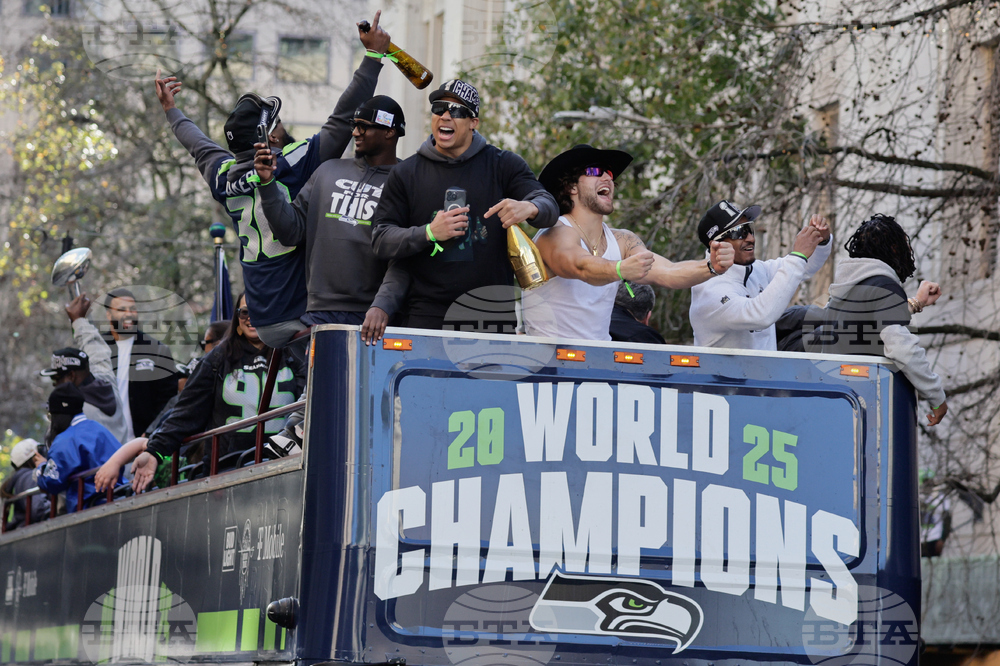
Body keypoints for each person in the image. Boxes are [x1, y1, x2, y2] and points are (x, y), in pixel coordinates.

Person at [154, 13, 392, 348]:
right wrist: (373, 57)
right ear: (270, 138)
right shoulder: (291, 163)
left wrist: (172, 111)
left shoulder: (223, 175)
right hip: (299, 313)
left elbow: (197, 144)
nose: (283, 127)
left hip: (261, 317)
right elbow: (342, 119)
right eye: (278, 123)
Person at [371, 78, 560, 330]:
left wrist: (529, 207)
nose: (445, 116)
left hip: (492, 313)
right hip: (427, 314)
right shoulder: (406, 173)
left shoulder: (503, 165)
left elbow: (549, 206)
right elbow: (381, 239)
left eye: (457, 111)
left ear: (473, 123)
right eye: (439, 108)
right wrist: (429, 232)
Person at [522, 144, 734, 340]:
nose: (607, 177)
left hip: (596, 361)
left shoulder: (623, 240)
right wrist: (620, 269)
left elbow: (669, 272)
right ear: (571, 187)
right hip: (550, 363)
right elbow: (580, 266)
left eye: (610, 173)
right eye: (596, 171)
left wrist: (711, 266)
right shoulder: (555, 232)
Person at [254, 95, 410, 345]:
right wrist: (267, 184)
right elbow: (290, 232)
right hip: (319, 312)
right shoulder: (328, 171)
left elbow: (405, 257)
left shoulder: (406, 182)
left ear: (389, 131)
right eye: (354, 125)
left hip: (375, 317)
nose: (355, 132)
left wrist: (383, 305)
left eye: (363, 126)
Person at [130, 293, 307, 492]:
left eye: (258, 310)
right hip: (226, 475)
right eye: (245, 312)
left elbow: (307, 408)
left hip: (284, 469)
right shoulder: (217, 358)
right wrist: (154, 452)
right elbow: (187, 412)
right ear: (237, 318)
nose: (251, 318)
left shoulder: (293, 353)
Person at [791, 213, 948, 426]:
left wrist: (916, 303)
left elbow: (865, 323)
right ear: (894, 248)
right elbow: (902, 348)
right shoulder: (885, 286)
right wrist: (937, 398)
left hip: (833, 399)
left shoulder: (847, 288)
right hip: (863, 405)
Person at [689, 200, 832, 350]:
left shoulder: (753, 269)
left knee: (816, 318)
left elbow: (803, 268)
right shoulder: (710, 290)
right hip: (727, 367)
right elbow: (759, 316)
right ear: (716, 244)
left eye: (749, 229)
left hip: (764, 363)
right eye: (740, 232)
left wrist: (820, 240)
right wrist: (798, 255)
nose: (751, 238)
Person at [40, 293, 129, 442]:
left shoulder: (75, 413)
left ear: (72, 376)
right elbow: (96, 350)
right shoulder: (105, 381)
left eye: (57, 378)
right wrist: (79, 320)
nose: (55, 384)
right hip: (126, 456)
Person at [101, 288, 178, 439]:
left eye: (132, 309)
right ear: (109, 314)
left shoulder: (157, 350)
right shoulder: (97, 348)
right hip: (103, 441)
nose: (128, 314)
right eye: (122, 309)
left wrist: (151, 432)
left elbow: (169, 400)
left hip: (141, 443)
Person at [35, 383, 122, 513]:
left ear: (58, 415)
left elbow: (52, 482)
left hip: (89, 506)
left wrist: (41, 467)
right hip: (119, 495)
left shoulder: (65, 440)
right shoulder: (99, 428)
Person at [0, 439, 50, 529]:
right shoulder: (30, 476)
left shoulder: (19, 478)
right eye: (40, 451)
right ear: (35, 457)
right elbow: (38, 510)